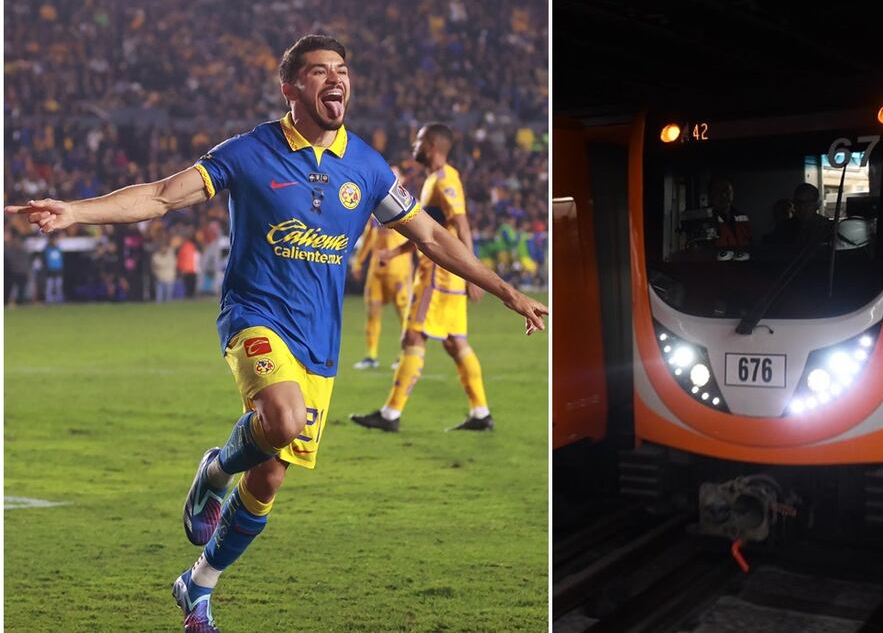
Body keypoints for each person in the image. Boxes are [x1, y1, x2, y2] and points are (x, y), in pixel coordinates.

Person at [5, 34, 546, 633]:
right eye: (318, 72)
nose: (335, 80)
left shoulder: (366, 166)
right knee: (282, 421)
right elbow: (161, 197)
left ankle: (199, 583)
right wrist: (76, 211)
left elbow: (433, 237)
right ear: (291, 89)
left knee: (270, 475)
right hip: (254, 317)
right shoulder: (248, 152)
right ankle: (214, 471)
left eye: (342, 70)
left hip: (320, 339)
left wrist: (505, 290)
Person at [350, 123, 497, 432]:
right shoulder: (435, 180)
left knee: (412, 337)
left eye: (418, 140)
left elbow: (462, 224)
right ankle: (481, 412)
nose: (413, 146)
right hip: (447, 274)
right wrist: (400, 252)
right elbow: (434, 231)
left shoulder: (445, 180)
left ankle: (390, 415)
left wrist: (475, 274)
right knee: (456, 343)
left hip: (438, 276)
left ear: (431, 145)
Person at [350, 210, 414, 370]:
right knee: (372, 313)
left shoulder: (405, 208)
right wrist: (359, 261)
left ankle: (406, 354)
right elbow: (368, 238)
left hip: (399, 270)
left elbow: (415, 238)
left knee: (404, 315)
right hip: (376, 271)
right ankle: (371, 356)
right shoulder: (374, 214)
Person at [765, 183, 831, 247]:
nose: (802, 207)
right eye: (798, 202)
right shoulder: (784, 228)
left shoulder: (827, 228)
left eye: (807, 202)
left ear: (817, 204)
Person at [703, 176, 751, 248]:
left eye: (727, 191)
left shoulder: (743, 217)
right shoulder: (704, 218)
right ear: (710, 195)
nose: (724, 195)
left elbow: (749, 243)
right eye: (718, 191)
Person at [152, 237, 178, 303]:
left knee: (168, 298)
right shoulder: (156, 256)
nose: (164, 249)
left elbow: (175, 245)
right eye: (162, 248)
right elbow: (156, 266)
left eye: (165, 247)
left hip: (170, 279)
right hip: (160, 279)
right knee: (159, 299)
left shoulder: (171, 254)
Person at [42, 234, 65, 303]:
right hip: (50, 271)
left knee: (58, 286)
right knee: (49, 286)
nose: (55, 242)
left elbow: (61, 260)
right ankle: (48, 300)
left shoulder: (59, 249)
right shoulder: (47, 249)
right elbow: (45, 260)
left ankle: (59, 300)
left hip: (58, 270)